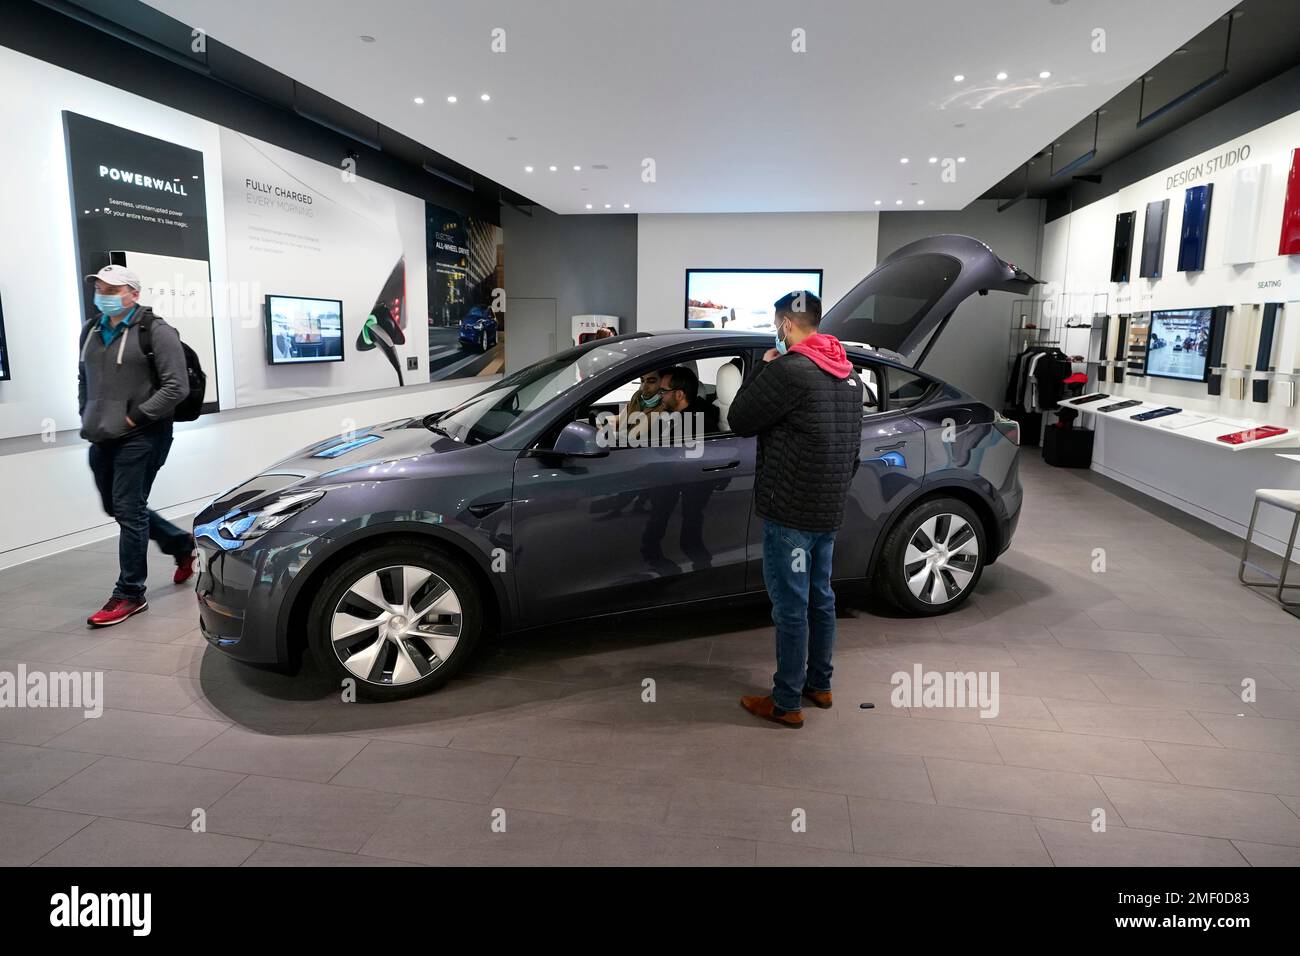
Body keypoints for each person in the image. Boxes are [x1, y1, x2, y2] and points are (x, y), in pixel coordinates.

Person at [727, 291, 863, 728]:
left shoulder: (789, 370)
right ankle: (819, 684)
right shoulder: (848, 372)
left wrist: (763, 369)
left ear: (786, 325)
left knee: (789, 606)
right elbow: (853, 447)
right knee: (821, 597)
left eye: (776, 324)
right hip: (828, 506)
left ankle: (786, 702)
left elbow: (741, 418)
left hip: (788, 508)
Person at [78, 264, 197, 627]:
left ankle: (130, 593)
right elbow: (83, 377)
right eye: (100, 288)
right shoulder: (90, 330)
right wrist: (85, 411)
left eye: (113, 290)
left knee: (129, 509)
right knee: (118, 506)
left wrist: (133, 418)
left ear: (134, 294)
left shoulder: (157, 332)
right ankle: (179, 544)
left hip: (143, 435)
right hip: (100, 435)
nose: (104, 295)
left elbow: (177, 387)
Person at [657, 365, 720, 437]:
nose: (659, 395)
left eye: (662, 391)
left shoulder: (693, 428)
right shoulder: (688, 414)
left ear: (679, 395)